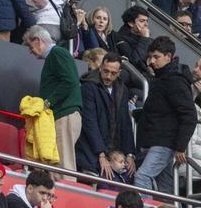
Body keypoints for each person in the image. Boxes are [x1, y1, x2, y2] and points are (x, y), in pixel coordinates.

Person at [134, 35, 196, 191]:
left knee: (142, 177)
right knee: (165, 189)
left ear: (169, 57)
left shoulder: (174, 80)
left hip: (163, 143)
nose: (152, 61)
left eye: (156, 57)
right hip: (158, 141)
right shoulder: (164, 79)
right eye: (150, 57)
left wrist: (180, 146)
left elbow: (189, 115)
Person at [23, 26, 81, 172]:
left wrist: (47, 102)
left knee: (62, 165)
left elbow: (70, 81)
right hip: (61, 115)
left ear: (38, 40)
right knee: (55, 165)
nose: (30, 52)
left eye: (30, 47)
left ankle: (66, 193)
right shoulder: (56, 55)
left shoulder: (57, 53)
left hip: (64, 115)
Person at [77, 51, 136, 177]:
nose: (108, 76)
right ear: (100, 68)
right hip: (91, 151)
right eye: (105, 71)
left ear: (119, 73)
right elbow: (89, 122)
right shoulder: (88, 87)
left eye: (113, 73)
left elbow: (125, 122)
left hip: (113, 149)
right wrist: (101, 154)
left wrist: (129, 154)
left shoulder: (122, 89)